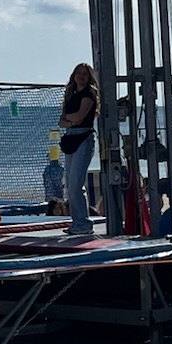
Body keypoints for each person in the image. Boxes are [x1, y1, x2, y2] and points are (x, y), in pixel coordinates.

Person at [58, 63, 99, 238]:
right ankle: (77, 221)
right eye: (78, 73)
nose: (81, 76)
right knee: (70, 183)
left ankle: (83, 223)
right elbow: (62, 121)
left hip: (83, 137)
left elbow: (80, 116)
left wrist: (71, 120)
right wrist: (70, 120)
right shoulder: (71, 94)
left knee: (76, 183)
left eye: (85, 74)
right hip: (71, 136)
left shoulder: (89, 94)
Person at [42, 144, 66, 214]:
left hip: (56, 198)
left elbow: (59, 185)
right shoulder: (51, 169)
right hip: (51, 197)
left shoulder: (58, 170)